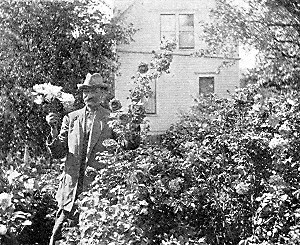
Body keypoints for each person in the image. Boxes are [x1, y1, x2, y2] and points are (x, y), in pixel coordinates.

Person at [46, 73, 139, 245]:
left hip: (97, 190)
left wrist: (133, 124)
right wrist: (53, 128)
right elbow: (59, 152)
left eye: (95, 91)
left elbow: (128, 144)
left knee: (94, 236)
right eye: (86, 91)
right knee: (59, 237)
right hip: (71, 190)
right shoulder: (71, 118)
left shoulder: (111, 118)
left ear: (103, 94)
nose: (90, 96)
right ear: (82, 95)